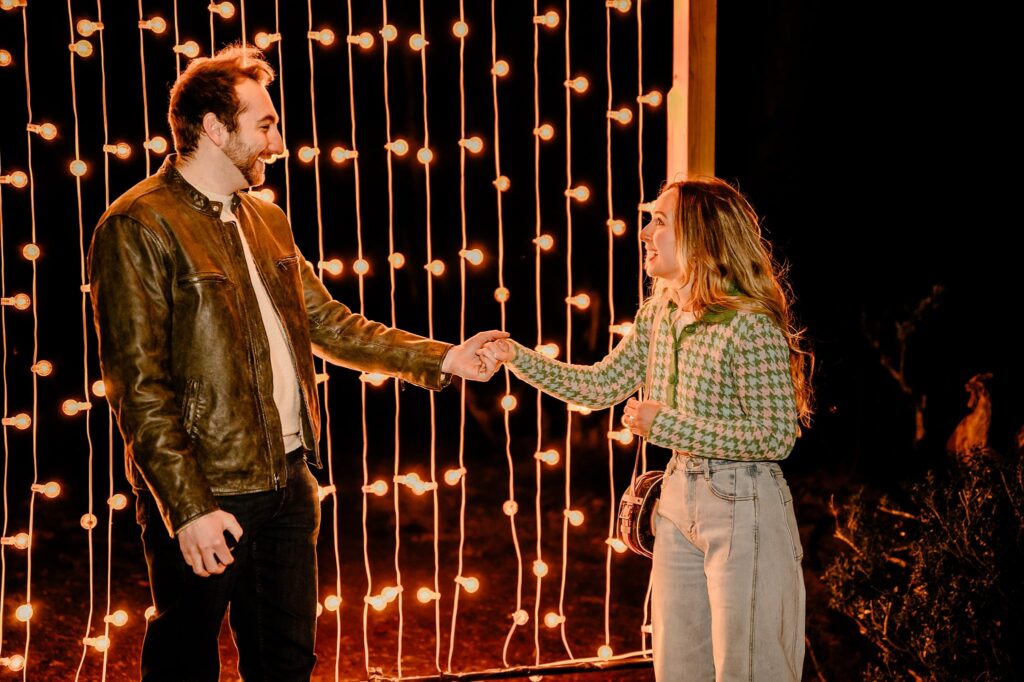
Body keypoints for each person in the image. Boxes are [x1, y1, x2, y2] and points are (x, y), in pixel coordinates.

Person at [89, 46, 505, 681]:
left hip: (290, 482)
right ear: (212, 127)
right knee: (184, 661)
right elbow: (139, 387)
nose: (277, 142)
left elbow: (329, 323)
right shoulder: (139, 223)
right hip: (209, 487)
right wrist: (188, 506)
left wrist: (444, 357)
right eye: (265, 125)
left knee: (287, 663)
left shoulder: (267, 218)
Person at [481, 177, 813, 681]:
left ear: (701, 235)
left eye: (660, 221)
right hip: (676, 503)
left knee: (750, 672)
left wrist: (666, 424)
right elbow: (599, 386)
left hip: (744, 505)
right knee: (679, 670)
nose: (644, 233)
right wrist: (516, 358)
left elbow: (773, 437)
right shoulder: (658, 314)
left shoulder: (749, 323)